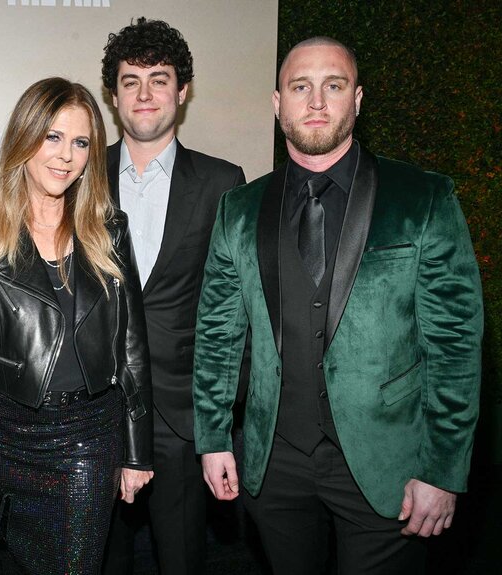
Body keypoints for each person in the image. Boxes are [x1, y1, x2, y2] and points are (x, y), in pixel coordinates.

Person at [193, 36, 483, 573]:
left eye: (335, 85)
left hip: (388, 464)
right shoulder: (239, 207)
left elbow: (455, 347)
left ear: (358, 99)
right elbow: (217, 334)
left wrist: (443, 469)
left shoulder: (423, 198)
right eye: (300, 86)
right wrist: (212, 437)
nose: (317, 101)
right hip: (273, 464)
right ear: (278, 102)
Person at [0, 77, 154, 575]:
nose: (66, 156)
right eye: (52, 137)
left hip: (85, 443)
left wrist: (137, 452)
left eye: (81, 142)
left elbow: (132, 349)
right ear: (25, 137)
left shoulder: (109, 230)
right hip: (4, 444)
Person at [99, 17, 246, 575]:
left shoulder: (222, 182)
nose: (144, 93)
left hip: (180, 414)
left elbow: (234, 311)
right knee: (96, 557)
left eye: (158, 79)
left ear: (181, 93)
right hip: (93, 408)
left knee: (181, 557)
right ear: (114, 96)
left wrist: (219, 422)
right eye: (130, 80)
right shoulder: (79, 175)